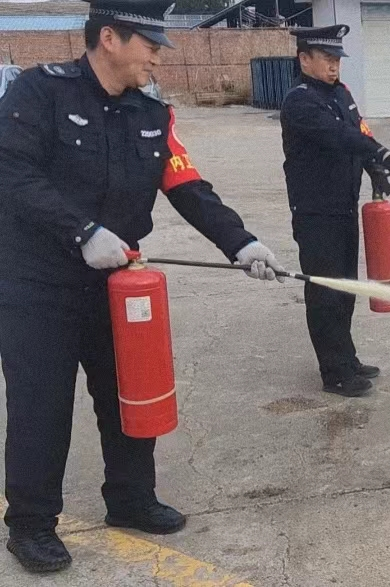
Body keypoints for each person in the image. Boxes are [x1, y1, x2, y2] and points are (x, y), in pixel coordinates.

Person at [0, 0, 286, 573]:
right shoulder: (39, 93)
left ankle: (130, 499)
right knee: (41, 407)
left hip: (117, 286)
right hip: (38, 284)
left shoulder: (151, 114)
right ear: (110, 37)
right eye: (150, 45)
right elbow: (12, 174)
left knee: (127, 395)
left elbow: (188, 186)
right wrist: (81, 230)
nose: (158, 57)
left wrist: (241, 242)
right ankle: (31, 524)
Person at [280, 25, 390, 398]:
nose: (334, 66)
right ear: (304, 59)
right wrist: (385, 154)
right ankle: (334, 373)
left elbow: (359, 133)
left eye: (337, 60)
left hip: (343, 205)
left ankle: (347, 358)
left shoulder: (341, 94)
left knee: (346, 288)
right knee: (326, 292)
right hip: (315, 212)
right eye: (327, 59)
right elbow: (339, 136)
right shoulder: (300, 102)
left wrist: (375, 169)